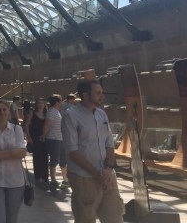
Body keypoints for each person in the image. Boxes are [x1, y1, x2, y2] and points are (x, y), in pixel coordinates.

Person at [62, 80, 124, 223]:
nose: (102, 96)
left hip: (107, 176)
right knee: (86, 218)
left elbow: (109, 143)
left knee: (114, 216)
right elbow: (72, 150)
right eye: (98, 93)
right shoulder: (71, 116)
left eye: (102, 92)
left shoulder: (102, 114)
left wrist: (108, 169)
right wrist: (96, 173)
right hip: (84, 177)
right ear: (85, 95)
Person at [42, 94, 68, 189]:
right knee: (54, 160)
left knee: (62, 159)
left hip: (59, 139)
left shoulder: (56, 111)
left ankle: (65, 179)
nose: (61, 102)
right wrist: (44, 135)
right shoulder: (52, 112)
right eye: (60, 101)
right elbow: (47, 125)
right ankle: (53, 180)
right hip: (54, 139)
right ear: (57, 102)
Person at [24, 98, 48, 185]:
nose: (40, 105)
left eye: (42, 103)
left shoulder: (46, 114)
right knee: (37, 157)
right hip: (35, 137)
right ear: (36, 104)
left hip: (44, 138)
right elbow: (26, 125)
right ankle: (38, 176)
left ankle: (45, 175)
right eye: (39, 103)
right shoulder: (32, 113)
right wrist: (28, 137)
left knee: (45, 156)